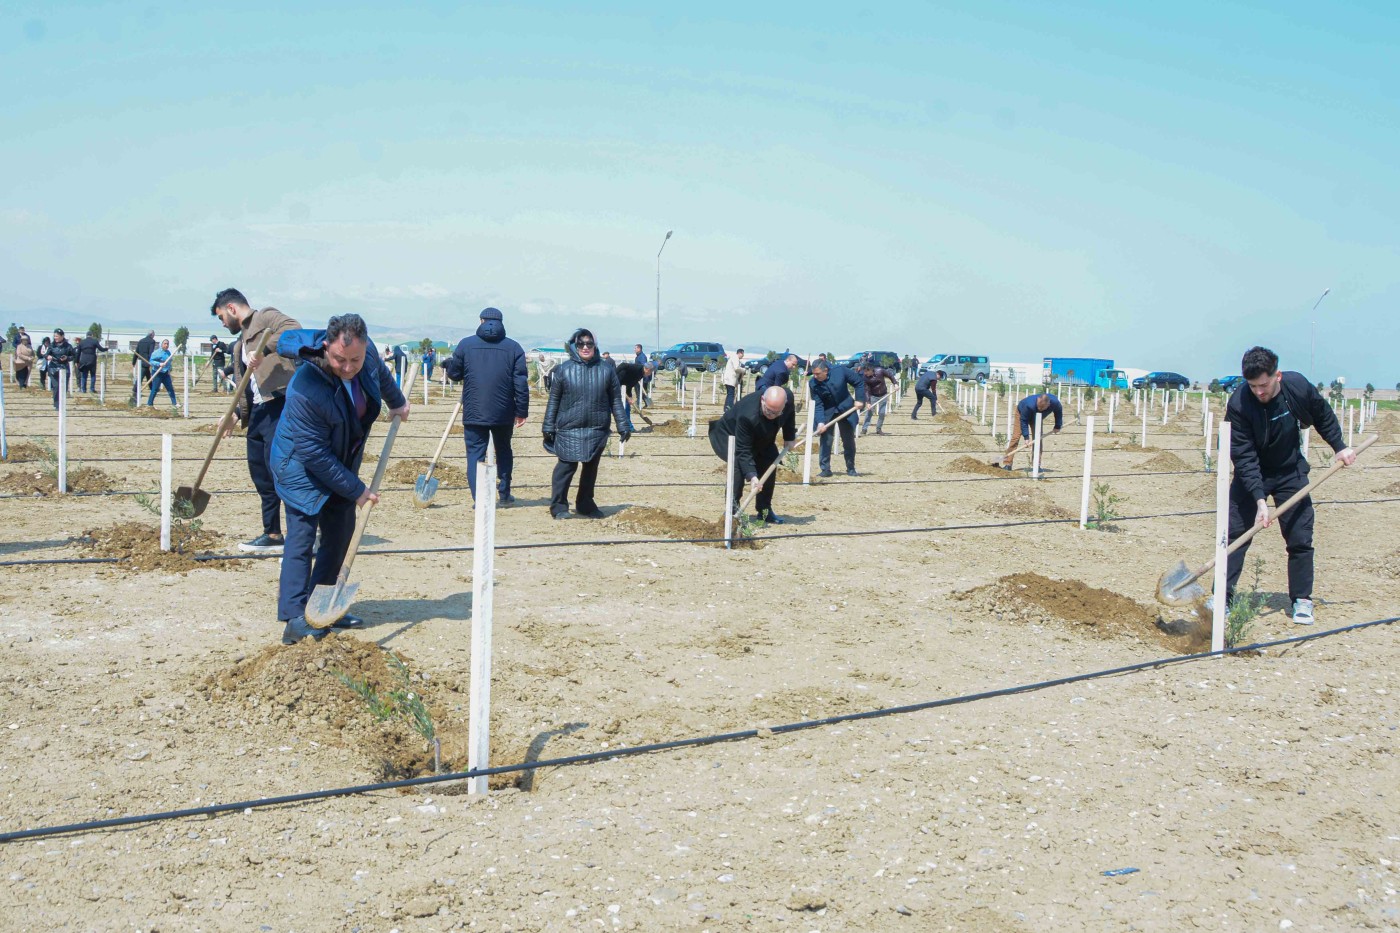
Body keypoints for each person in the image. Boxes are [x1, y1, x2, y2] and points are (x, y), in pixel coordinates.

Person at [269, 313, 408, 644]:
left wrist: (398, 402)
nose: (348, 367)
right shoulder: (305, 388)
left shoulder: (367, 354)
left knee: (341, 531)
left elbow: (381, 375)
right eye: (339, 359)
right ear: (325, 347)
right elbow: (314, 454)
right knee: (301, 537)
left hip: (339, 459)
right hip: (298, 466)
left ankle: (323, 606)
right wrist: (358, 490)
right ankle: (293, 617)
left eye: (355, 360)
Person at [1223, 346, 1355, 625]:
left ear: (1277, 376)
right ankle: (1223, 596)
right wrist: (1260, 500)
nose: (1259, 392)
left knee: (1299, 537)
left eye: (1264, 384)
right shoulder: (1238, 404)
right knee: (1235, 534)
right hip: (1252, 473)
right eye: (1252, 386)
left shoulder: (1297, 387)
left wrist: (1339, 447)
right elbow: (1243, 456)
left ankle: (1302, 600)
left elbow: (1322, 415)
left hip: (1289, 471)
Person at [212, 287, 301, 554]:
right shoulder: (239, 344)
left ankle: (300, 536)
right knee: (261, 474)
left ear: (231, 309)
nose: (222, 323)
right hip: (259, 414)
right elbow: (248, 386)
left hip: (280, 406)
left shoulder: (264, 317)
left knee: (283, 472)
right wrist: (236, 414)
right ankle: (272, 533)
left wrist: (266, 349)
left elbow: (293, 329)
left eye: (220, 317)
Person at [542, 328, 632, 519]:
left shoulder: (606, 370)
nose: (585, 347)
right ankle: (559, 506)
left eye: (589, 344)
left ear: (595, 346)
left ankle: (585, 504)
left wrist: (623, 424)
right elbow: (553, 401)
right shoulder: (563, 370)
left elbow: (616, 400)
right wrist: (548, 426)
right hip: (568, 428)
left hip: (596, 428)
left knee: (590, 469)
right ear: (574, 346)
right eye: (581, 343)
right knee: (566, 468)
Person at [444, 307, 529, 505]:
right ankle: (505, 493)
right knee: (504, 450)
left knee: (475, 454)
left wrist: (449, 365)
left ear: (481, 321)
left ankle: (480, 499)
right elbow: (521, 383)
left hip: (474, 411)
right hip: (504, 411)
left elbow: (455, 375)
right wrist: (521, 411)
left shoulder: (466, 345)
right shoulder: (514, 348)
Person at [709, 385, 797, 524]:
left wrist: (789, 437)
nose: (771, 416)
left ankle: (764, 510)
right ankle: (732, 511)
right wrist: (752, 476)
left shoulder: (787, 399)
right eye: (768, 411)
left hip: (762, 435)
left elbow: (790, 414)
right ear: (762, 399)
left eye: (776, 413)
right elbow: (743, 450)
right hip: (731, 435)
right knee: (738, 469)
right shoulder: (747, 415)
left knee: (769, 462)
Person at [808, 358, 866, 477]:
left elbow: (858, 382)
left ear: (826, 370)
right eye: (813, 373)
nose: (815, 376)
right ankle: (825, 469)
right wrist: (820, 422)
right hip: (827, 412)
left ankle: (851, 468)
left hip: (846, 408)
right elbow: (818, 404)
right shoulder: (813, 383)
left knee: (848, 440)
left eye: (818, 374)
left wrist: (860, 399)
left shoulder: (840, 371)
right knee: (826, 440)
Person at [999, 392, 1063, 469]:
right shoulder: (1028, 405)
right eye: (1038, 408)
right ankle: (1008, 463)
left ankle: (1037, 464)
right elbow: (1023, 421)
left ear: (1048, 405)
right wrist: (1026, 437)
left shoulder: (1055, 403)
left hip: (1037, 419)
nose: (1040, 410)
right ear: (1038, 400)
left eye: (1042, 409)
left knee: (1038, 440)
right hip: (1021, 414)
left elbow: (1058, 412)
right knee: (1015, 437)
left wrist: (1057, 425)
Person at [859, 363, 898, 435]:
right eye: (864, 372)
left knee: (882, 413)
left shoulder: (880, 371)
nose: (865, 373)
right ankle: (864, 429)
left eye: (866, 371)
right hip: (873, 396)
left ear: (870, 370)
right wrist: (868, 402)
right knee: (869, 412)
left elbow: (890, 375)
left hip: (883, 395)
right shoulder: (865, 378)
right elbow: (866, 390)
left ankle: (878, 429)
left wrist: (895, 383)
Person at [43, 330, 76, 409]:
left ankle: (62, 403)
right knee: (56, 386)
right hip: (53, 368)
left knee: (64, 387)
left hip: (64, 368)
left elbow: (73, 356)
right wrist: (48, 357)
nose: (55, 338)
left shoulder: (68, 346)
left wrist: (67, 358)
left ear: (62, 336)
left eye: (57, 336)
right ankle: (57, 404)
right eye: (54, 336)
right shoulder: (51, 346)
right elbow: (46, 354)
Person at [146, 339, 177, 408]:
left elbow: (169, 362)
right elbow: (151, 361)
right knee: (155, 388)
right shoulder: (156, 353)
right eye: (165, 344)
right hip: (158, 373)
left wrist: (169, 369)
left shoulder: (169, 353)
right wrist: (159, 364)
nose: (166, 345)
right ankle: (149, 404)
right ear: (162, 344)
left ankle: (174, 404)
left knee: (170, 388)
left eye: (167, 344)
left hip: (165, 373)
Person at [133, 330, 157, 400]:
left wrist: (134, 362)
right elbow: (151, 352)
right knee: (141, 377)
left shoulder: (141, 341)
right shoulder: (152, 341)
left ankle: (152, 388)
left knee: (148, 374)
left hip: (141, 361)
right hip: (147, 361)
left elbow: (136, 352)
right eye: (154, 335)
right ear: (152, 335)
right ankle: (135, 390)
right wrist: (152, 361)